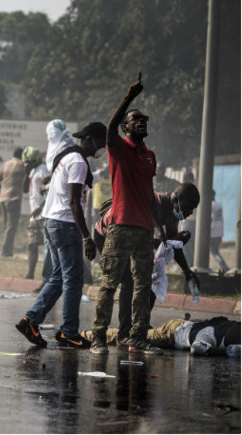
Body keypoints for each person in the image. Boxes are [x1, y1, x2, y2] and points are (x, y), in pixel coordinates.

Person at [16, 121, 106, 349]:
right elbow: (74, 201)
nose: (103, 148)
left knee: (58, 278)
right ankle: (68, 331)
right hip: (65, 225)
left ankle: (30, 321)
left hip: (52, 222)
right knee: (73, 279)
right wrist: (87, 236)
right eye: (101, 142)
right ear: (90, 139)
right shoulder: (77, 162)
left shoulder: (69, 157)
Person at [90, 73, 160, 355]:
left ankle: (137, 336)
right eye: (136, 118)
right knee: (109, 284)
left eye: (144, 119)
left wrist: (158, 229)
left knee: (143, 285)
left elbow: (149, 191)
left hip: (145, 229)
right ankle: (98, 337)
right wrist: (129, 97)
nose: (142, 121)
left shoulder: (150, 155)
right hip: (120, 226)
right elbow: (109, 129)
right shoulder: (117, 148)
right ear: (125, 126)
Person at [94, 182, 201, 345]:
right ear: (177, 198)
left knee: (146, 279)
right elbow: (142, 239)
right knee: (127, 282)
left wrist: (188, 272)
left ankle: (137, 328)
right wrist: (172, 241)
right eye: (189, 207)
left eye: (193, 209)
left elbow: (170, 243)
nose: (189, 213)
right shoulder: (153, 203)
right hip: (107, 234)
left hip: (131, 237)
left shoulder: (173, 212)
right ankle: (124, 333)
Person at [81, 317, 240, 357]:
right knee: (128, 336)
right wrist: (225, 352)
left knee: (139, 332)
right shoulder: (210, 335)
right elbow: (196, 349)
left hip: (185, 325)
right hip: (171, 333)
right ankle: (86, 335)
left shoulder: (230, 328)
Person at [21, 147, 52, 282]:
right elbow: (23, 189)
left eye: (28, 162)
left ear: (35, 160)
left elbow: (51, 191)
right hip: (34, 216)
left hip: (44, 214)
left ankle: (48, 277)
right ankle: (30, 273)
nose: (26, 165)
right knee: (32, 245)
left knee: (49, 248)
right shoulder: (32, 171)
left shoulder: (43, 170)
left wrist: (40, 207)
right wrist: (26, 173)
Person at [0, 147, 26, 257]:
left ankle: (8, 250)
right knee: (11, 226)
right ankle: (5, 252)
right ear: (21, 155)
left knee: (7, 226)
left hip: (3, 199)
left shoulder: (5, 164)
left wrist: (1, 191)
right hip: (14, 199)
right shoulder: (22, 165)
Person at [210, 189, 229, 273]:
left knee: (214, 251)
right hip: (220, 231)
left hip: (213, 231)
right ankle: (224, 266)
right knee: (215, 251)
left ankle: (224, 266)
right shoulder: (219, 205)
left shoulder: (209, 206)